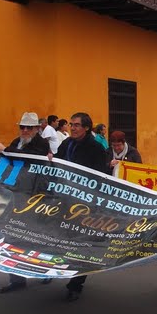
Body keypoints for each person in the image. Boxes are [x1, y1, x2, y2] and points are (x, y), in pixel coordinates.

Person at [0, 112, 51, 294]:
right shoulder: (17, 142)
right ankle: (16, 277)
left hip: (35, 196)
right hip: (16, 194)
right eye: (22, 127)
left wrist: (7, 151)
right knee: (13, 235)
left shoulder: (41, 143)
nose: (25, 130)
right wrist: (1, 152)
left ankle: (44, 272)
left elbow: (30, 157)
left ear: (36, 129)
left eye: (29, 127)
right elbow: (9, 158)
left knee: (36, 236)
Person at [54, 112, 108, 302]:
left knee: (81, 244)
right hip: (64, 200)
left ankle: (76, 284)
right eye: (71, 124)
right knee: (63, 239)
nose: (73, 128)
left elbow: (100, 177)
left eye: (76, 125)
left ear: (86, 128)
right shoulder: (67, 143)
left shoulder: (96, 148)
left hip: (85, 205)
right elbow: (57, 162)